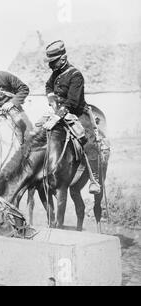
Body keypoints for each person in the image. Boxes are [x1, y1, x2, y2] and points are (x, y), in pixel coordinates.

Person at [42, 40, 101, 194]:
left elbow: (73, 102)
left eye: (52, 62)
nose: (50, 66)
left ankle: (94, 179)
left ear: (63, 59)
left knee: (88, 141)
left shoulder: (76, 75)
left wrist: (58, 116)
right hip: (58, 110)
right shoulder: (56, 73)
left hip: (77, 113)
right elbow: (48, 86)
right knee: (38, 132)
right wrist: (51, 99)